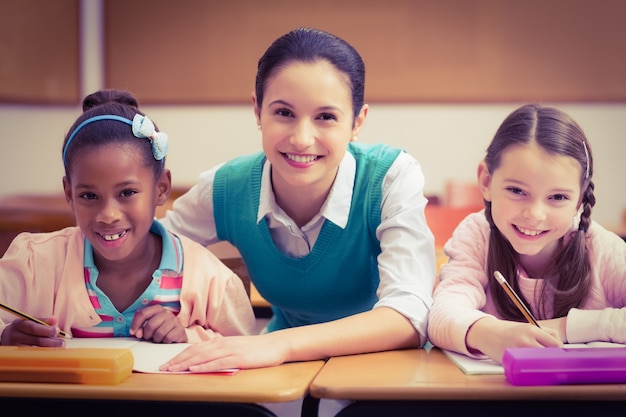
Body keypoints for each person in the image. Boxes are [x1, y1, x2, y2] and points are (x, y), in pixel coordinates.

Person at [159, 27, 436, 373]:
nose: (302, 139)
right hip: (282, 372)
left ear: (357, 122)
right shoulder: (228, 186)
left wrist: (277, 344)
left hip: (383, 370)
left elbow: (409, 315)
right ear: (257, 111)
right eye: (284, 113)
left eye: (326, 117)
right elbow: (151, 250)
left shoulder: (391, 177)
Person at [0, 89, 256, 347]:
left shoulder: (210, 281)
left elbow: (246, 356)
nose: (108, 215)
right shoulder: (34, 265)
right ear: (69, 193)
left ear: (161, 189)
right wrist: (4, 337)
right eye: (89, 196)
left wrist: (187, 337)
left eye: (127, 192)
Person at [428, 103, 626, 364]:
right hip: (494, 400)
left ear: (579, 199)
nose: (535, 214)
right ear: (486, 182)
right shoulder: (477, 234)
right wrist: (488, 333)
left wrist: (565, 328)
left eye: (557, 197)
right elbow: (442, 312)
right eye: (517, 191)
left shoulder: (600, 247)